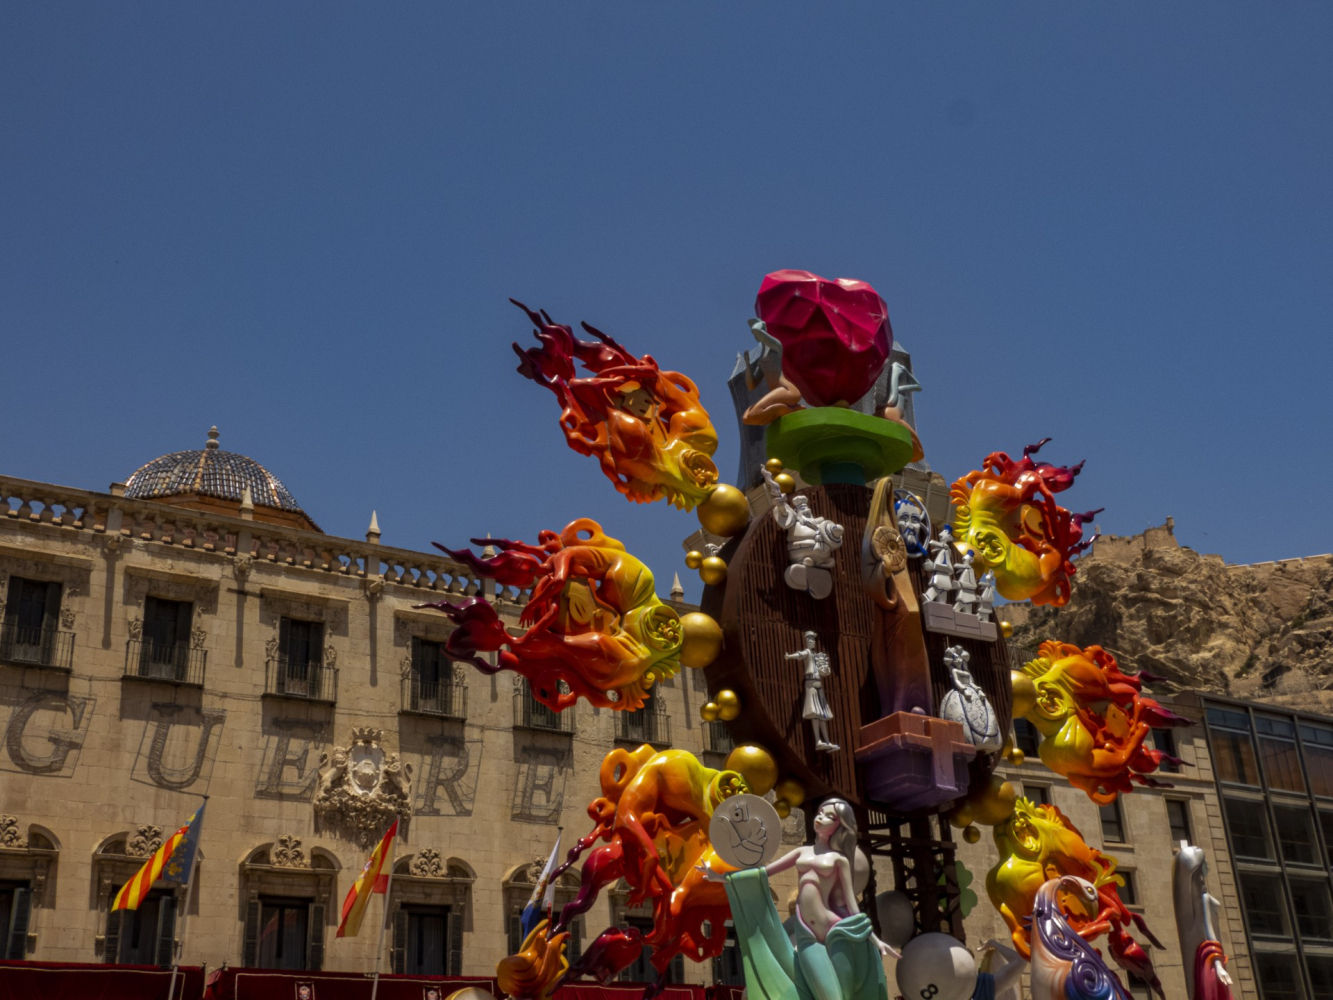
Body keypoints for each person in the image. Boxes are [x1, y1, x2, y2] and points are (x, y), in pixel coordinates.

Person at [700, 799, 894, 1000]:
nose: (821, 818)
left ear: (840, 825)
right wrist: (722, 877)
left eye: (830, 816)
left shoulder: (839, 860)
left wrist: (875, 940)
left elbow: (851, 903)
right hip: (808, 936)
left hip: (836, 933)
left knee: (845, 995)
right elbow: (763, 873)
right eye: (820, 812)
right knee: (830, 997)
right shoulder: (802, 852)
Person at [788, 631, 838, 752]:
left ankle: (826, 741)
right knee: (815, 713)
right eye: (809, 640)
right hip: (811, 685)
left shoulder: (818, 655)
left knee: (822, 714)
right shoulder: (808, 653)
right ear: (806, 641)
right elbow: (799, 655)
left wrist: (826, 669)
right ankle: (818, 741)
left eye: (813, 640)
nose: (811, 642)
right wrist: (789, 656)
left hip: (818, 685)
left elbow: (824, 670)